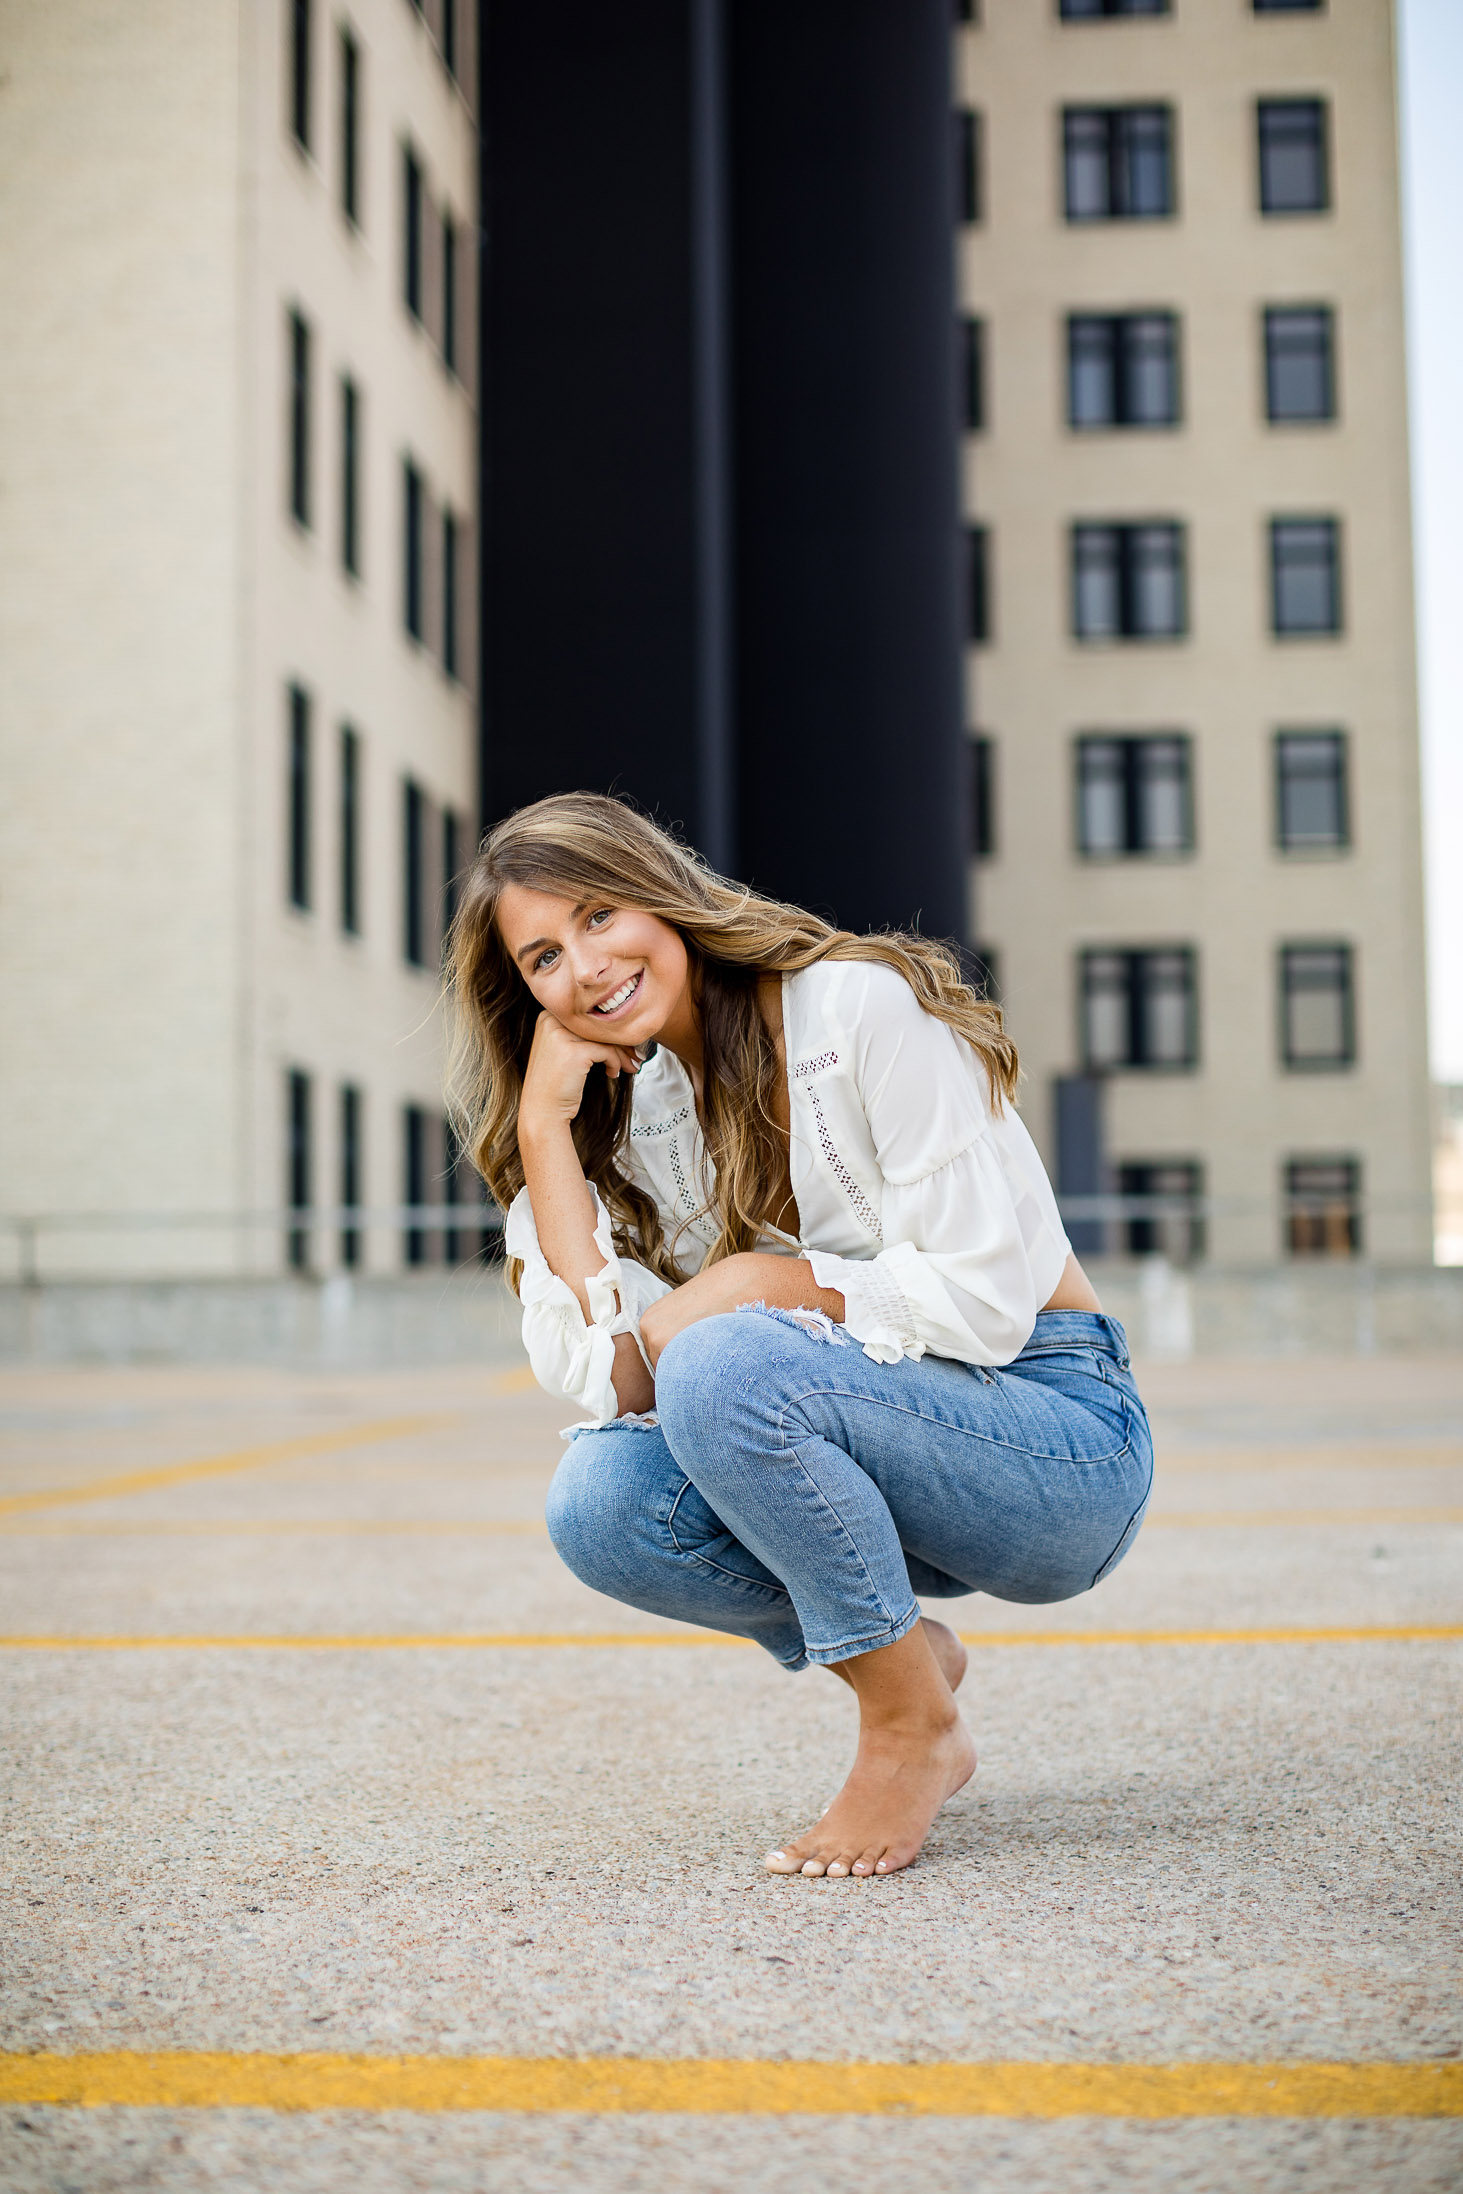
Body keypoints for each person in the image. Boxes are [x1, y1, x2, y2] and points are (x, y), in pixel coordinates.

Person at [446, 792, 1153, 1880]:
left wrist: (749, 1280)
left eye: (597, 915)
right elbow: (623, 1387)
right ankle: (911, 1674)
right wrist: (545, 1131)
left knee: (727, 1351)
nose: (582, 968)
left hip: (1056, 1442)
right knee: (598, 1502)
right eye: (542, 956)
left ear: (658, 893)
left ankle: (902, 1729)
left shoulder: (853, 1006)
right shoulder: (621, 1114)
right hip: (879, 1457)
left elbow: (982, 1301)